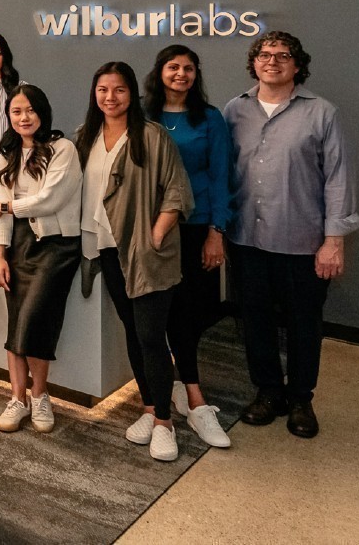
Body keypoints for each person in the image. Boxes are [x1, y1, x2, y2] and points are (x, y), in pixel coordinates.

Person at [224, 31, 359, 439]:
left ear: (297, 65)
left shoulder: (322, 113)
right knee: (255, 321)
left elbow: (339, 180)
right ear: (255, 62)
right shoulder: (234, 111)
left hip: (303, 242)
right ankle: (268, 392)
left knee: (304, 323)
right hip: (246, 239)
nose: (273, 61)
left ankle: (301, 398)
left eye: (283, 55)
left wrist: (333, 241)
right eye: (265, 54)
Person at [75, 61, 193, 463]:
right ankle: (148, 406)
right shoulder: (85, 137)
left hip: (145, 252)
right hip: (106, 249)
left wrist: (157, 233)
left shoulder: (151, 136)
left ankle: (164, 422)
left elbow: (176, 190)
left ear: (132, 94)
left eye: (119, 90)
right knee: (130, 329)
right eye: (103, 89)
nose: (111, 97)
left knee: (149, 335)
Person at [143, 44, 233, 448]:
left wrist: (217, 231)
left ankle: (194, 396)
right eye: (173, 67)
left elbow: (221, 177)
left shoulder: (210, 119)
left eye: (189, 68)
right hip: (148, 230)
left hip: (195, 228)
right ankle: (163, 398)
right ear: (160, 71)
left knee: (189, 314)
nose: (181, 74)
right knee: (153, 319)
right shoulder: (142, 115)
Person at [0, 84, 82, 435]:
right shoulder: (6, 156)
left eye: (30, 110)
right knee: (17, 319)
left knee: (36, 318)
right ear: (9, 117)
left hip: (56, 246)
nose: (24, 117)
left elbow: (51, 199)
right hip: (19, 245)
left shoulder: (63, 149)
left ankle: (40, 395)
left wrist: (8, 205)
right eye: (16, 111)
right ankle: (18, 399)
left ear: (42, 112)